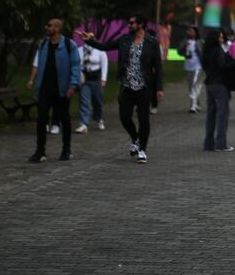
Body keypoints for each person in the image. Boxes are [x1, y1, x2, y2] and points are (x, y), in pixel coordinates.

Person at [87, 16, 164, 164]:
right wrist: (89, 41)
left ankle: (142, 150)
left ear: (141, 24)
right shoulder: (125, 40)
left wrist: (159, 89)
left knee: (143, 119)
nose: (129, 25)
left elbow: (158, 67)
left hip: (144, 88)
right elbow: (106, 47)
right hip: (127, 86)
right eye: (129, 22)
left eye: (132, 23)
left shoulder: (152, 42)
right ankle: (135, 138)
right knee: (124, 117)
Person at [26, 19, 82, 162]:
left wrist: (73, 85)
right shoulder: (44, 44)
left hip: (62, 89)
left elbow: (76, 66)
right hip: (45, 88)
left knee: (64, 119)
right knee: (41, 119)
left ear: (57, 28)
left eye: (49, 25)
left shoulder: (70, 45)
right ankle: (40, 151)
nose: (47, 27)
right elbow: (38, 64)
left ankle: (66, 150)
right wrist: (34, 82)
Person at [202, 29, 235, 152]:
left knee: (210, 115)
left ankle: (208, 144)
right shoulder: (218, 51)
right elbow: (223, 67)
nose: (222, 40)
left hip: (209, 84)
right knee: (222, 115)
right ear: (215, 39)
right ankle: (221, 144)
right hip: (219, 85)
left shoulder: (206, 51)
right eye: (220, 37)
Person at [75, 32, 108, 133]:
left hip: (96, 79)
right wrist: (80, 75)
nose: (89, 39)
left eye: (92, 37)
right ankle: (83, 124)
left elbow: (104, 64)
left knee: (97, 102)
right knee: (84, 101)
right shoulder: (79, 50)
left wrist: (103, 79)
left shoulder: (99, 50)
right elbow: (77, 64)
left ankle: (98, 118)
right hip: (85, 79)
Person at [181, 25, 203, 113]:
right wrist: (184, 47)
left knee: (194, 83)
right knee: (191, 85)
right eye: (189, 31)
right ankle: (195, 102)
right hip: (188, 65)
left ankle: (193, 106)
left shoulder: (200, 41)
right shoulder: (185, 41)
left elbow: (203, 52)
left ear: (196, 32)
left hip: (197, 65)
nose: (189, 32)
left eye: (191, 31)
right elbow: (179, 52)